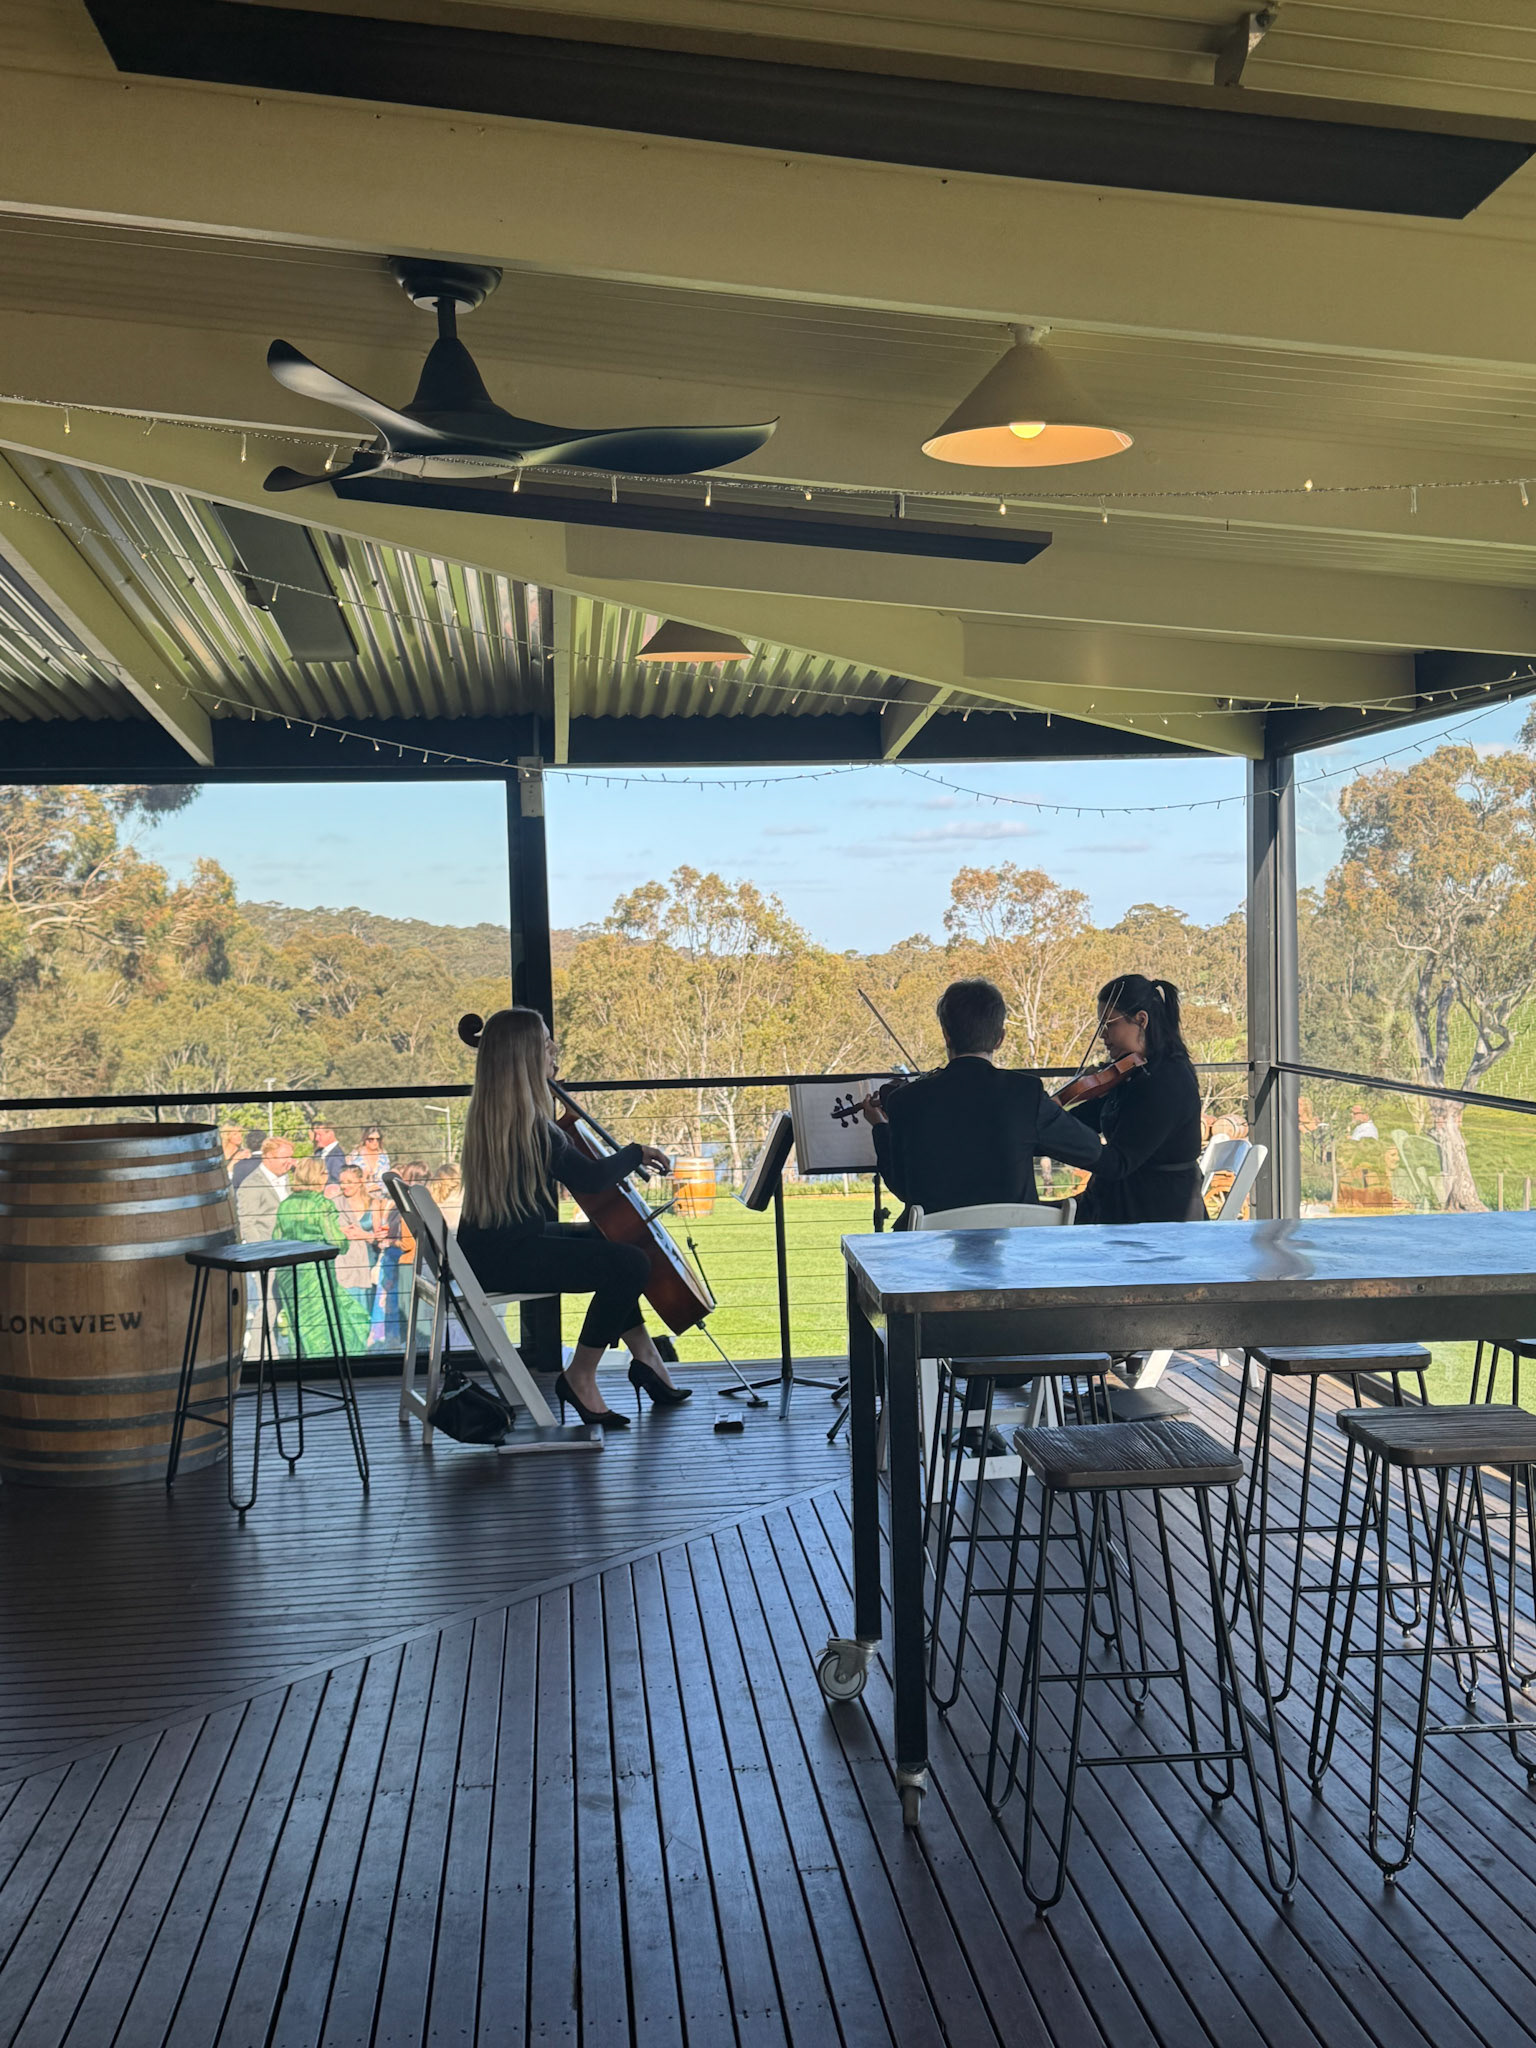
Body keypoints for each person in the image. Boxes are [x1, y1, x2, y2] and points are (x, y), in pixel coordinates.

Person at [456, 1006, 685, 1428]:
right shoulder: (528, 1125)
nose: (554, 1051)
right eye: (546, 1044)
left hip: (491, 1250)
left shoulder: (499, 1116)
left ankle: (646, 1358)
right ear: (526, 1057)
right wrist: (636, 1153)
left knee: (613, 1242)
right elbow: (592, 1179)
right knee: (630, 1263)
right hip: (504, 1259)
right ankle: (579, 1376)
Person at [862, 977, 1102, 1221]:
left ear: (946, 1034)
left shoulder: (905, 1100)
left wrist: (880, 1127)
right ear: (1000, 1039)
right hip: (1014, 1239)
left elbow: (902, 1188)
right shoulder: (1025, 1092)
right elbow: (1090, 1149)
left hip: (935, 1241)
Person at [1071, 975, 1206, 1226]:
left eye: (1109, 1025)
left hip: (1159, 1214)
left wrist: (1058, 1140)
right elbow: (1090, 1116)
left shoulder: (1166, 1080)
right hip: (1128, 1202)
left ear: (1141, 1020)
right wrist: (1046, 1120)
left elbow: (1119, 1162)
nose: (1102, 1035)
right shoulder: (1135, 1072)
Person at [272, 1155, 371, 1356]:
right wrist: (344, 1238)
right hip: (314, 1273)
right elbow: (336, 1242)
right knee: (327, 1323)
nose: (327, 1177)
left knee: (299, 1322)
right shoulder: (321, 1204)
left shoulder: (285, 1205)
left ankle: (303, 1361)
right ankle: (328, 1362)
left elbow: (277, 1238)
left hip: (288, 1272)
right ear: (317, 1176)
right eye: (324, 1172)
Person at [332, 1163, 378, 1321]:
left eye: (349, 1182)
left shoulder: (373, 1203)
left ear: (360, 1181)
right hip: (344, 1263)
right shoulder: (334, 1203)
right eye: (342, 1182)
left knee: (366, 1311)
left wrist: (363, 1234)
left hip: (368, 1263)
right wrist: (341, 1231)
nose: (344, 1186)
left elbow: (378, 1238)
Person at [309, 1120, 348, 1185]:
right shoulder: (319, 1152)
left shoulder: (336, 1156)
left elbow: (337, 1181)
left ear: (330, 1134)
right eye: (316, 1135)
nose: (316, 1138)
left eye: (319, 1135)